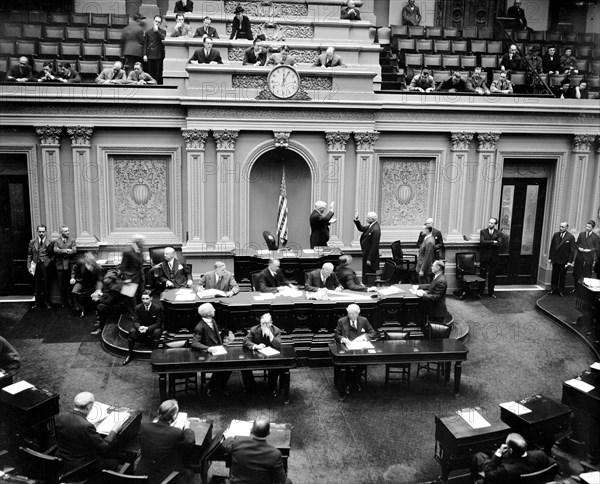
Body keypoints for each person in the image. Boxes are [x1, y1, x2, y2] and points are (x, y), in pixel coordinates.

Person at [55, 392, 122, 475]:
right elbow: (104, 447)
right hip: (80, 466)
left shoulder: (60, 416)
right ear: (89, 406)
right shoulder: (86, 426)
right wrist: (114, 430)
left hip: (63, 458)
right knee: (114, 462)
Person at [136, 399, 195, 483]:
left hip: (143, 475)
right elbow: (189, 442)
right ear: (174, 416)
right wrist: (187, 428)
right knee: (190, 470)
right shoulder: (176, 432)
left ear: (158, 412)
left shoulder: (144, 426)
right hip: (166, 479)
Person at [222, 416, 292, 484]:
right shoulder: (275, 454)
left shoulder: (237, 443)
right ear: (268, 433)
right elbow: (281, 480)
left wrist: (230, 437)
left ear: (251, 430)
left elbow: (227, 444)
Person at [191, 303, 235, 395]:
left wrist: (222, 346)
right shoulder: (200, 327)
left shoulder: (213, 321)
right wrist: (208, 349)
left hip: (218, 351)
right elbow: (194, 343)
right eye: (212, 309)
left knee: (229, 366)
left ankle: (217, 388)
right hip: (207, 355)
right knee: (224, 368)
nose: (214, 310)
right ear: (207, 314)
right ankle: (213, 389)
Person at [471, 433, 551, 483]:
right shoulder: (541, 454)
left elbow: (488, 474)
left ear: (511, 450)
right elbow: (553, 464)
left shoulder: (506, 469)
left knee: (479, 456)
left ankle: (475, 479)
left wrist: (498, 454)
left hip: (507, 478)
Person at [334, 304, 376, 395]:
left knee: (363, 362)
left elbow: (372, 333)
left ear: (358, 313)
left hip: (360, 348)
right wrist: (344, 339)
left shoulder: (364, 320)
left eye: (353, 314)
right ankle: (355, 382)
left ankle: (351, 382)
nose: (351, 316)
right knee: (345, 363)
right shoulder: (341, 321)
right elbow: (336, 335)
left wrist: (364, 337)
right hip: (347, 348)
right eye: (349, 314)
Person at [242, 314, 284, 396]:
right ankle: (250, 388)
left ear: (271, 323)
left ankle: (271, 388)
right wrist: (256, 346)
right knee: (244, 365)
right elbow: (245, 341)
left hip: (271, 357)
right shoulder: (254, 329)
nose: (264, 325)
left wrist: (271, 336)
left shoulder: (276, 330)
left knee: (276, 366)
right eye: (262, 323)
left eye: (267, 323)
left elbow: (278, 345)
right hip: (256, 356)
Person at [123, 290, 163, 365]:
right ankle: (129, 354)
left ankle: (154, 354)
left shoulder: (157, 308)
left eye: (147, 299)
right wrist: (139, 327)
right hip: (141, 328)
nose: (145, 301)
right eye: (143, 299)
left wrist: (147, 328)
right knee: (132, 332)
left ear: (151, 298)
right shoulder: (138, 307)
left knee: (157, 331)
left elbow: (158, 323)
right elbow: (135, 321)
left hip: (151, 328)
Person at [92, 270, 130, 335]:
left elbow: (108, 302)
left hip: (122, 306)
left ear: (111, 279)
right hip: (121, 302)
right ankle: (100, 320)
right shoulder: (117, 282)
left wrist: (97, 299)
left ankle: (101, 327)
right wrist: (101, 295)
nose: (104, 279)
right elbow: (108, 292)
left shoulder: (115, 288)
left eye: (106, 278)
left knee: (100, 307)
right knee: (102, 300)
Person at [27, 224, 53, 309]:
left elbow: (53, 255)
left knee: (46, 283)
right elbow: (29, 255)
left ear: (46, 232)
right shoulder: (32, 242)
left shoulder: (50, 242)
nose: (41, 233)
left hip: (45, 265)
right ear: (37, 232)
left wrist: (48, 262)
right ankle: (37, 303)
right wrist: (29, 266)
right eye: (39, 231)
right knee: (37, 284)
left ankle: (47, 303)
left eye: (43, 231)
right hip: (36, 264)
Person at [71, 251, 103, 319]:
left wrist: (98, 289)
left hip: (93, 284)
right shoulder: (81, 262)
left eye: (91, 259)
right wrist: (72, 278)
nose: (89, 261)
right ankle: (80, 308)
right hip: (82, 282)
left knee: (99, 294)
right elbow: (74, 268)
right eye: (87, 259)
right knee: (74, 291)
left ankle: (98, 310)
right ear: (85, 259)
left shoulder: (97, 267)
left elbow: (100, 279)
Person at [119, 234, 146, 313]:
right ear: (136, 241)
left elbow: (140, 261)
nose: (142, 243)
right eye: (141, 241)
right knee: (131, 298)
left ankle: (140, 312)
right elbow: (123, 266)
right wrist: (126, 278)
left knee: (140, 296)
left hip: (140, 277)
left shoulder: (139, 249)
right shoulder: (127, 251)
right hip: (130, 277)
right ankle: (132, 314)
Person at [548, 222, 576, 297]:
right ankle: (553, 289)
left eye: (563, 227)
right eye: (560, 226)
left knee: (562, 276)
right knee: (554, 275)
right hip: (555, 259)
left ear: (567, 227)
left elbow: (572, 251)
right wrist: (550, 258)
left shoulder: (570, 237)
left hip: (564, 260)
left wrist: (569, 262)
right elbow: (552, 247)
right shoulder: (556, 235)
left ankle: (561, 290)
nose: (561, 228)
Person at [479, 217, 504, 298]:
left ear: (495, 224)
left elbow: (499, 243)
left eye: (492, 223)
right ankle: (480, 292)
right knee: (482, 275)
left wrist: (488, 243)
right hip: (484, 257)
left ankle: (491, 292)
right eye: (489, 222)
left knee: (492, 276)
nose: (490, 224)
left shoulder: (499, 233)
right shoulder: (483, 231)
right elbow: (482, 242)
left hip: (494, 258)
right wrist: (493, 241)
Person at [354, 211, 381, 284]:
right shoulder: (371, 226)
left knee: (369, 273)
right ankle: (365, 285)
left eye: (368, 218)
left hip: (370, 256)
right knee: (366, 272)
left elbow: (374, 246)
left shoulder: (375, 229)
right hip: (366, 253)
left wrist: (369, 259)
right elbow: (361, 228)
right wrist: (356, 220)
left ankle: (369, 287)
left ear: (372, 219)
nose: (366, 219)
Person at [53, 225, 77, 308]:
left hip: (69, 265)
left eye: (68, 230)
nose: (68, 232)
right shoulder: (56, 241)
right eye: (65, 231)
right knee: (61, 285)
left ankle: (70, 302)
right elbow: (55, 250)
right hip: (59, 266)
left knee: (69, 285)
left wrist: (61, 251)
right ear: (61, 232)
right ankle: (63, 302)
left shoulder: (72, 240)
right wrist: (66, 250)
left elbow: (74, 250)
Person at [573, 220, 600, 289]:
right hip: (580, 256)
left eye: (589, 227)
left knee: (587, 273)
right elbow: (577, 244)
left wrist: (590, 250)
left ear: (592, 228)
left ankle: (584, 289)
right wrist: (579, 248)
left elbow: (597, 248)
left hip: (588, 257)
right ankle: (576, 288)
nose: (587, 228)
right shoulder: (581, 234)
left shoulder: (595, 237)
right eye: (586, 226)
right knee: (577, 272)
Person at [144, 15, 166, 84]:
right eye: (156, 21)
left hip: (159, 55)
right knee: (150, 72)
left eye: (159, 22)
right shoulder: (148, 32)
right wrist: (144, 54)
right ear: (153, 21)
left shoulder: (162, 31)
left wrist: (157, 31)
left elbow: (163, 38)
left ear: (160, 23)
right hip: (150, 54)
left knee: (158, 73)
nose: (157, 23)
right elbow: (145, 44)